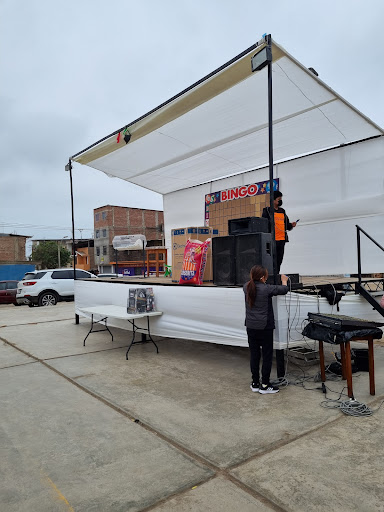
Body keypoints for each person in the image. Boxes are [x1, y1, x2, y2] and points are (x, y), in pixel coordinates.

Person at [243, 265, 289, 394]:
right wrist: (284, 280)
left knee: (254, 355)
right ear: (263, 277)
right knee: (267, 356)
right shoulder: (267, 289)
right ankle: (265, 385)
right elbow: (284, 289)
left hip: (251, 326)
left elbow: (254, 286)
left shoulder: (246, 287)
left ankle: (255, 383)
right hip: (265, 327)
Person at [262, 190, 297, 273]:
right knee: (271, 260)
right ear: (273, 200)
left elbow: (286, 225)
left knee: (279, 260)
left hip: (281, 240)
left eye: (281, 199)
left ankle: (276, 276)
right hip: (272, 240)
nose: (280, 201)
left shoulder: (282, 211)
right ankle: (270, 276)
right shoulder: (267, 211)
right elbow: (263, 224)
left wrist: (291, 225)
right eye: (278, 199)